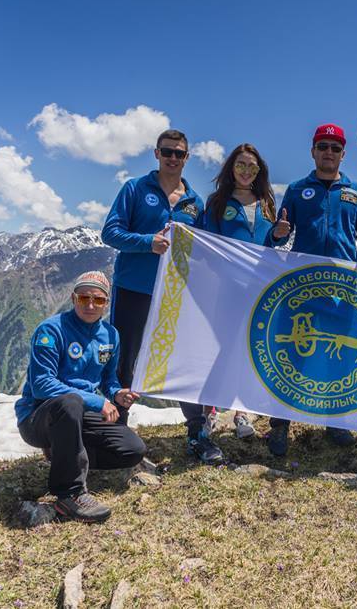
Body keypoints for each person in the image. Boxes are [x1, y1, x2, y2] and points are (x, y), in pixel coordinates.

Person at [101, 130, 221, 465]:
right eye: (167, 152)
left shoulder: (195, 202)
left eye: (179, 154)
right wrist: (146, 243)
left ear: (187, 158)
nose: (172, 158)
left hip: (177, 295)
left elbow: (208, 246)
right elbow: (110, 232)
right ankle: (117, 434)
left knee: (186, 360)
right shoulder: (134, 189)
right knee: (126, 361)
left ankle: (197, 433)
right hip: (133, 289)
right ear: (156, 153)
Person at [265, 123, 357, 456]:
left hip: (342, 288)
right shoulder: (298, 189)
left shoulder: (356, 191)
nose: (329, 152)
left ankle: (336, 422)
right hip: (302, 285)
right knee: (294, 352)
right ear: (313, 151)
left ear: (343, 154)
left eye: (335, 148)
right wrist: (278, 232)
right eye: (323, 146)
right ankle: (280, 424)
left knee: (338, 356)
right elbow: (281, 237)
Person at [15, 271, 147, 523]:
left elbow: (108, 380)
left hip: (77, 415)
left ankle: (66, 456)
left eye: (98, 300)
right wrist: (98, 401)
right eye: (83, 298)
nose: (90, 305)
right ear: (73, 298)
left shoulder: (110, 335)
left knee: (133, 450)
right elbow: (41, 384)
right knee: (70, 401)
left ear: (106, 303)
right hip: (39, 417)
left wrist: (117, 394)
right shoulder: (51, 330)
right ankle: (69, 494)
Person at [201, 142, 279, 439]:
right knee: (221, 347)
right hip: (227, 288)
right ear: (231, 168)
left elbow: (270, 247)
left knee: (249, 348)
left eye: (252, 167)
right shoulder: (217, 202)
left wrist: (279, 234)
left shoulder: (267, 203)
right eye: (241, 165)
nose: (246, 171)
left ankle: (242, 411)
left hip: (259, 289)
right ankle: (209, 411)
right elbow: (208, 244)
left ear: (259, 172)